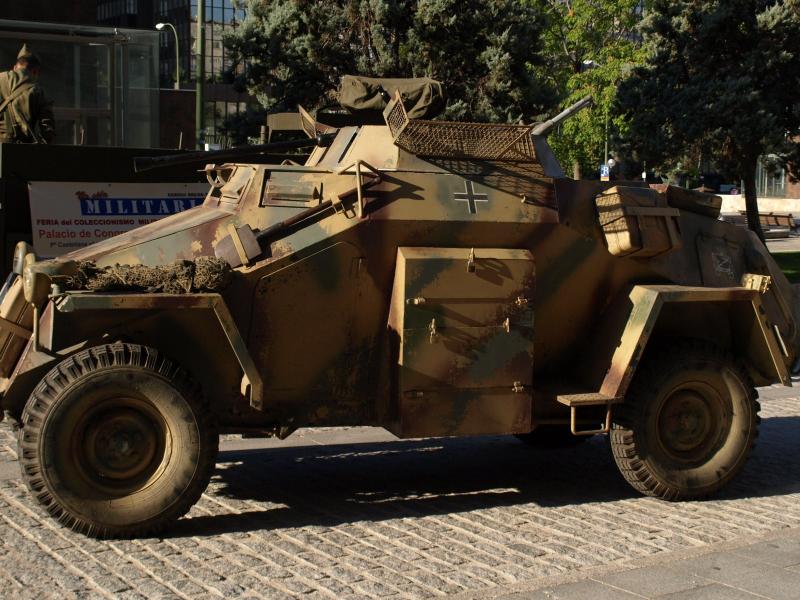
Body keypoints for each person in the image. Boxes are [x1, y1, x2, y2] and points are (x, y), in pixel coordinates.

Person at [0, 44, 54, 144]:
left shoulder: (1, 78)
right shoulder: (39, 91)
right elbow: (47, 130)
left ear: (14, 67)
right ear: (35, 71)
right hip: (22, 149)